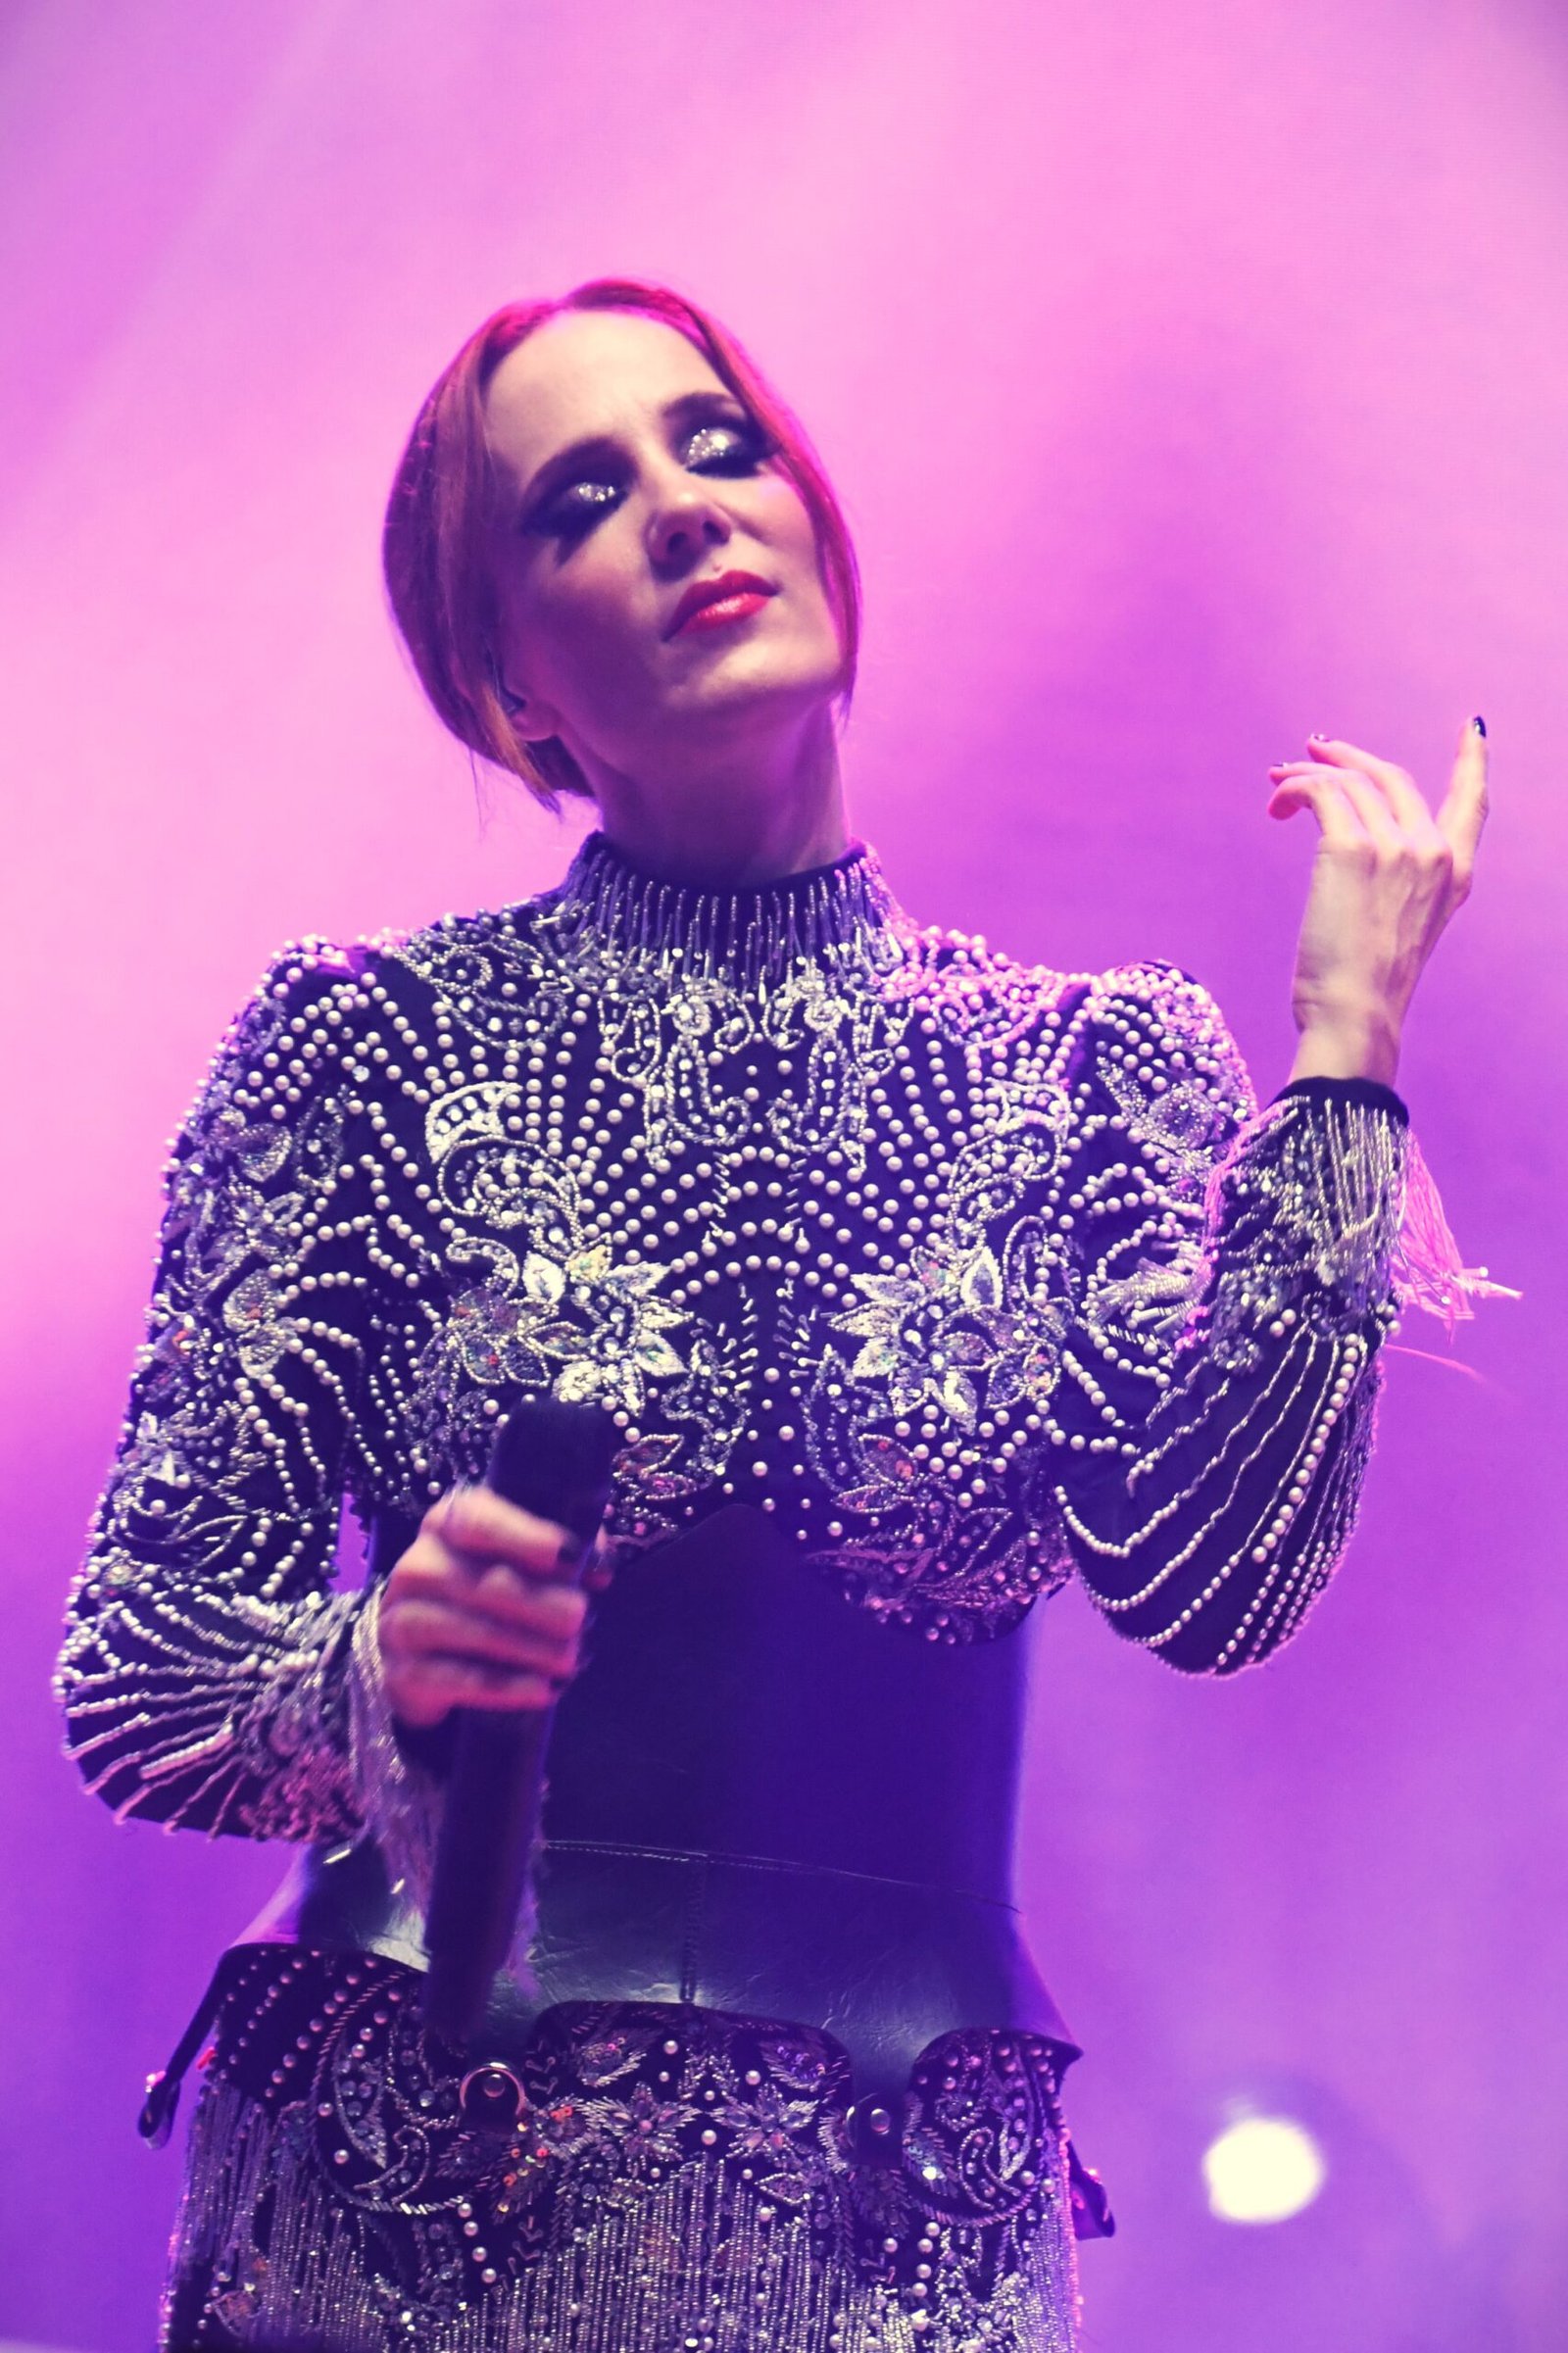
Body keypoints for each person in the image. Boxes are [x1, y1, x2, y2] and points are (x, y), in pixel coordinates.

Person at [56, 278, 1492, 2353]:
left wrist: (1345, 1059)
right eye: (576, 500)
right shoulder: (364, 1046)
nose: (680, 508)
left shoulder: (1082, 1064)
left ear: (817, 517)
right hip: (397, 2213)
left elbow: (1211, 1581)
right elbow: (143, 1679)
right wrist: (379, 1671)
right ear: (509, 681)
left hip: (890, 2232)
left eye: (718, 444)